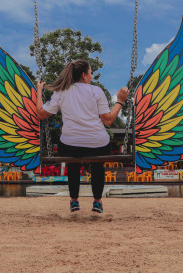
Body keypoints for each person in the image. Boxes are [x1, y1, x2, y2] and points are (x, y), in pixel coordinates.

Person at [36, 59, 129, 213]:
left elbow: (41, 114)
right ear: (84, 75)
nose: (91, 76)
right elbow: (108, 120)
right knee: (98, 165)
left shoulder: (61, 91)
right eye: (91, 73)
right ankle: (97, 202)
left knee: (72, 163)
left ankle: (74, 201)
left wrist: (39, 91)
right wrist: (120, 101)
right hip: (98, 145)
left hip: (70, 146)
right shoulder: (96, 91)